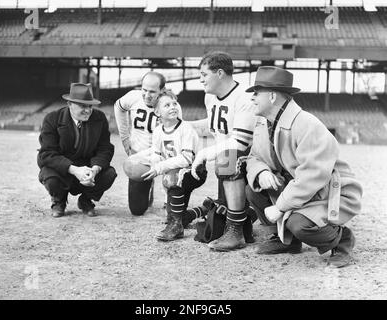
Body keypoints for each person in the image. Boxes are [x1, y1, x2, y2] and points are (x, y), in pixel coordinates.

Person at [245, 66, 363, 268]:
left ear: (272, 96)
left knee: (299, 224)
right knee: (253, 190)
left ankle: (342, 239)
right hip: (300, 189)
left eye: (257, 92)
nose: (252, 97)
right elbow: (253, 156)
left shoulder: (307, 124)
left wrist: (281, 206)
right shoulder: (264, 123)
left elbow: (312, 176)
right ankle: (287, 241)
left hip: (328, 192)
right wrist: (261, 171)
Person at [189, 51, 257, 251]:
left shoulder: (244, 97)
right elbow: (214, 127)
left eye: (204, 74)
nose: (200, 80)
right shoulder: (210, 98)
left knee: (226, 159)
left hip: (250, 161)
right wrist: (181, 127)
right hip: (228, 162)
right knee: (216, 219)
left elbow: (240, 142)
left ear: (220, 73)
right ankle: (243, 213)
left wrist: (204, 153)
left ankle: (235, 231)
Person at [37, 83, 116, 218]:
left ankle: (86, 200)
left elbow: (105, 148)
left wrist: (94, 170)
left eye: (90, 106)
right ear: (69, 104)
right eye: (83, 106)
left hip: (87, 170)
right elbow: (47, 154)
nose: (88, 110)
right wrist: (74, 170)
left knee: (109, 174)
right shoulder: (52, 119)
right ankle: (59, 200)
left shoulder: (99, 118)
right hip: (62, 170)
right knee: (50, 177)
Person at [141, 90, 207, 241]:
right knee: (179, 216)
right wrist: (153, 163)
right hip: (175, 173)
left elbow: (186, 159)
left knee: (172, 178)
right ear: (157, 112)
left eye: (175, 103)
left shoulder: (186, 129)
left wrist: (160, 168)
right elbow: (157, 154)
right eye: (167, 105)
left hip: (194, 172)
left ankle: (176, 228)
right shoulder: (158, 131)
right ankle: (204, 209)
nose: (172, 107)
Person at [114, 71, 167, 216]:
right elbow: (118, 107)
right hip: (140, 155)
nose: (147, 95)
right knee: (137, 209)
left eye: (152, 91)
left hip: (163, 155)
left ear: (162, 90)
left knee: (172, 203)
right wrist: (125, 137)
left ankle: (169, 196)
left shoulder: (170, 104)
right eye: (144, 90)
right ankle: (148, 186)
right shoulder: (133, 97)